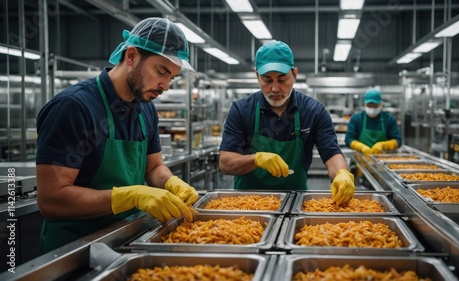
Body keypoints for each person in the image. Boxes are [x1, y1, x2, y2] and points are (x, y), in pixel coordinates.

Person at [35, 18, 199, 254]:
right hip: (73, 251)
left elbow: (153, 168)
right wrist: (131, 196)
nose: (165, 86)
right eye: (161, 71)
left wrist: (172, 182)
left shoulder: (145, 108)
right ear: (131, 56)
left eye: (171, 77)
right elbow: (51, 200)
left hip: (126, 238)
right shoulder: (73, 107)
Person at [219, 40, 355, 205]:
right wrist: (255, 159)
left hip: (295, 203)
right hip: (246, 205)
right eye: (267, 80)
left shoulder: (314, 111)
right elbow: (225, 163)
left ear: (295, 74)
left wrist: (342, 173)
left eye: (282, 80)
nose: (275, 88)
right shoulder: (241, 110)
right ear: (257, 75)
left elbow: (331, 153)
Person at [345, 88, 402, 155]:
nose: (372, 109)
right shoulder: (356, 119)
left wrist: (383, 145)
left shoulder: (389, 119)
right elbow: (348, 139)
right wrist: (361, 147)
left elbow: (398, 141)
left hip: (382, 160)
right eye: (369, 106)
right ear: (365, 104)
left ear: (380, 105)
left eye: (375, 106)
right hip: (360, 159)